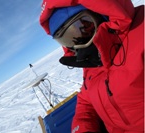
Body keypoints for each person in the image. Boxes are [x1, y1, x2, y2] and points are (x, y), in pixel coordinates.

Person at [39, 0, 144, 133]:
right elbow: (86, 100)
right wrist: (83, 128)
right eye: (68, 40)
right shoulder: (94, 60)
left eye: (83, 27)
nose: (77, 46)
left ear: (102, 14)